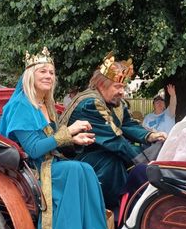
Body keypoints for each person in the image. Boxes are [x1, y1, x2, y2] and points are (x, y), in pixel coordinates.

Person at [0, 47, 108, 229]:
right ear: (30, 76)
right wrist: (69, 132)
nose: (48, 75)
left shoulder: (44, 104)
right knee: (74, 171)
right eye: (42, 71)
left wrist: (75, 139)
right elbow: (35, 148)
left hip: (48, 162)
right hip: (30, 170)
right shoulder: (20, 106)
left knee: (85, 169)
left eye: (51, 72)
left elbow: (52, 141)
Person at [60, 52, 167, 211]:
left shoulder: (114, 102)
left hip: (99, 150)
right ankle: (116, 210)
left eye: (123, 87)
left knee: (142, 150)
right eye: (117, 86)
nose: (122, 92)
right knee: (114, 162)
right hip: (75, 157)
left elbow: (128, 124)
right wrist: (145, 165)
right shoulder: (91, 103)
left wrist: (150, 136)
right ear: (102, 85)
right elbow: (115, 141)